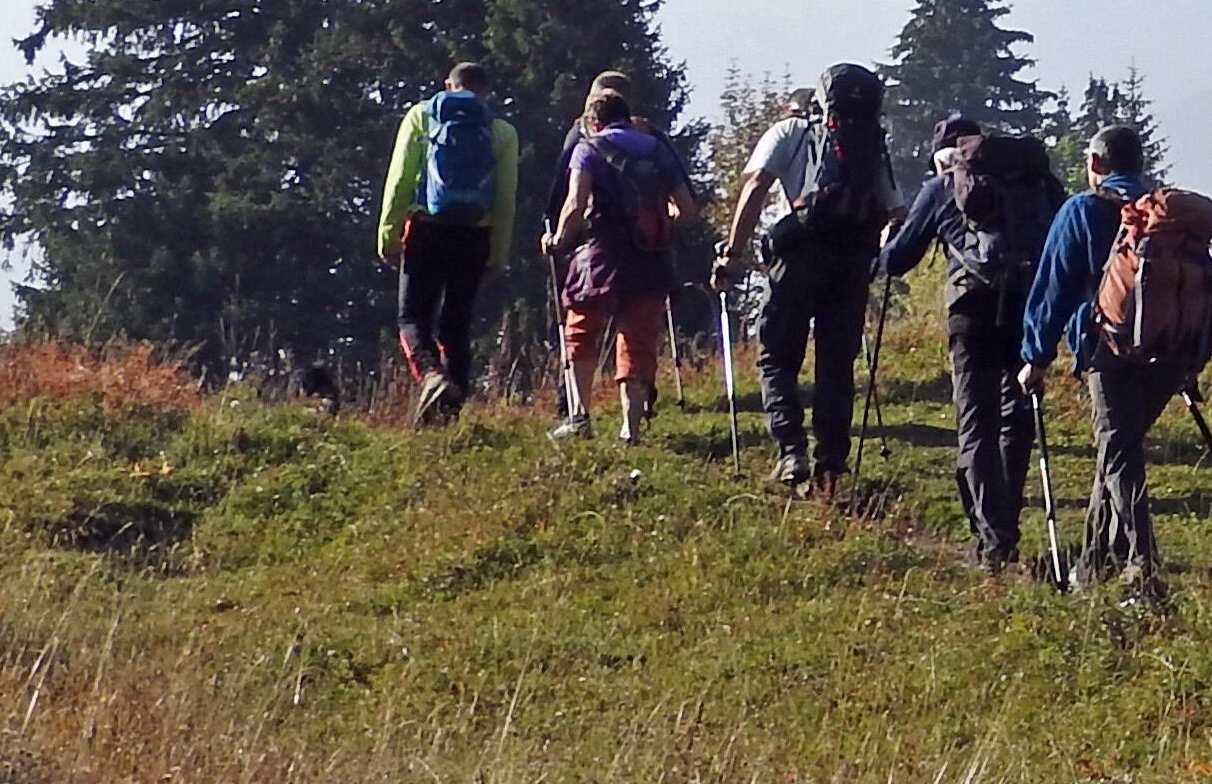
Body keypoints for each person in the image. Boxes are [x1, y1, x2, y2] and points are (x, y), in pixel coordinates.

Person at [1017, 124, 1212, 602]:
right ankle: (1093, 565)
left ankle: (1142, 568)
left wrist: (1035, 357)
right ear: (1140, 163)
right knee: (1117, 452)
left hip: (1108, 351)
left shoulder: (1083, 209)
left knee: (1119, 454)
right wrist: (1192, 359)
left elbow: (1053, 288)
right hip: (1169, 354)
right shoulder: (1166, 215)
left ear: (1095, 164)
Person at [879, 114, 1071, 570]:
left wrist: (887, 241)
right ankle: (1006, 527)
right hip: (1027, 306)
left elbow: (898, 261)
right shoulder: (1033, 182)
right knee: (1015, 419)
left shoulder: (942, 187)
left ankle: (992, 539)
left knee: (976, 425)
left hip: (972, 310)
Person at [712, 64, 895, 496]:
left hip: (797, 257)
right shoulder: (872, 142)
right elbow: (895, 211)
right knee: (836, 363)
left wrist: (732, 254)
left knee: (777, 356)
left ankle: (791, 451)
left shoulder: (789, 132)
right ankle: (831, 463)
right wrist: (880, 259)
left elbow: (756, 186)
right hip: (852, 261)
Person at [546, 88, 699, 442]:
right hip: (651, 257)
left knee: (581, 330)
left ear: (593, 122)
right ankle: (631, 428)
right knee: (637, 338)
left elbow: (575, 203)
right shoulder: (657, 149)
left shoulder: (588, 148)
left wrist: (558, 239)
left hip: (601, 255)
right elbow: (687, 210)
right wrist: (655, 222)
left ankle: (579, 417)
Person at [378, 62, 523, 426]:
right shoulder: (501, 132)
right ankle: (447, 419)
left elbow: (399, 181)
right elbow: (505, 199)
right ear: (485, 91)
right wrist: (498, 255)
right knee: (455, 327)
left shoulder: (421, 117)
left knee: (412, 317)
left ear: (447, 85)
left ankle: (431, 377)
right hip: (474, 234)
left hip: (425, 229)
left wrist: (388, 236)